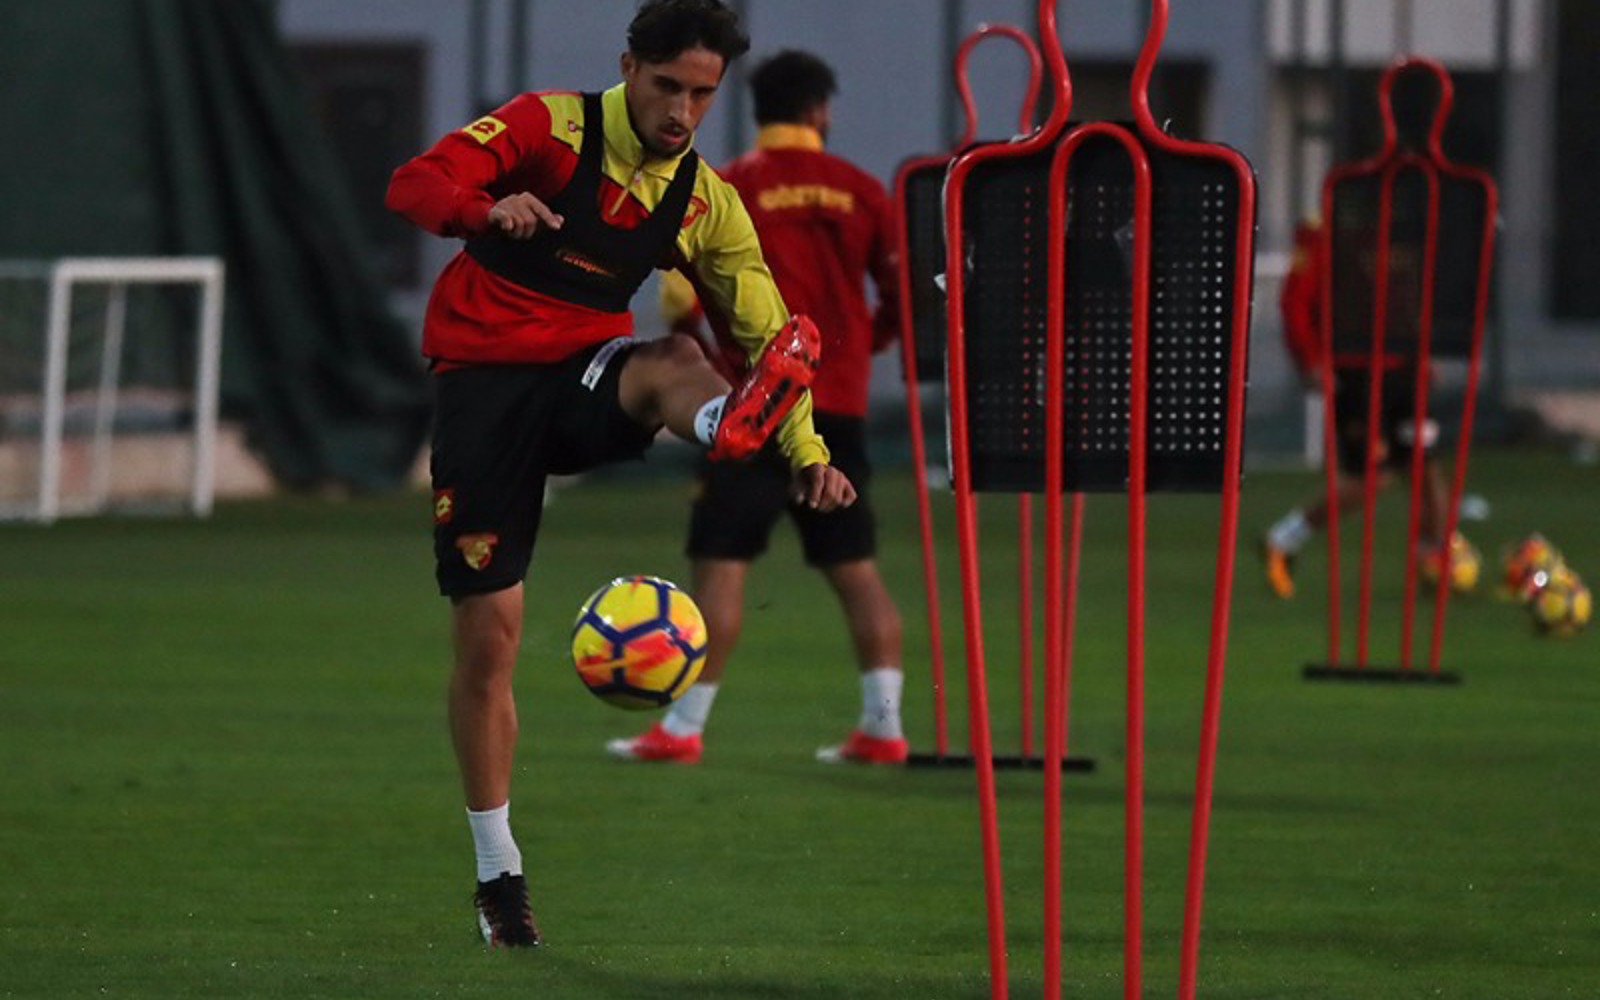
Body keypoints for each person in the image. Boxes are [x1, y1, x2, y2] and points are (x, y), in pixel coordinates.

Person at [385, 0, 857, 949]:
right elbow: (414, 184)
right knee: (489, 640)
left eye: (702, 95)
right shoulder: (547, 127)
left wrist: (807, 451)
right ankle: (499, 872)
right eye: (667, 86)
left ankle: (726, 424)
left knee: (680, 356)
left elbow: (768, 330)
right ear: (628, 66)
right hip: (483, 391)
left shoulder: (704, 199)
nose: (682, 111)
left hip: (584, 379)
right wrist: (484, 208)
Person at [606, 50, 908, 767]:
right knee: (856, 568)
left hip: (755, 406)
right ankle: (884, 727)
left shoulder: (733, 185)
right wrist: (866, 347)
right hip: (840, 405)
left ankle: (683, 728)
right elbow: (904, 295)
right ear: (820, 112)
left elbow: (678, 302)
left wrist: (708, 370)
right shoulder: (862, 190)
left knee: (722, 564)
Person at [1261, 216, 1477, 598]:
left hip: (1402, 369)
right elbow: (1295, 300)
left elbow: (1403, 298)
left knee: (1426, 469)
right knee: (1371, 478)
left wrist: (1420, 356)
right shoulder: (1323, 230)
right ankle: (1283, 537)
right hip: (1355, 370)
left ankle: (1432, 563)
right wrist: (1309, 359)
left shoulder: (1397, 225)